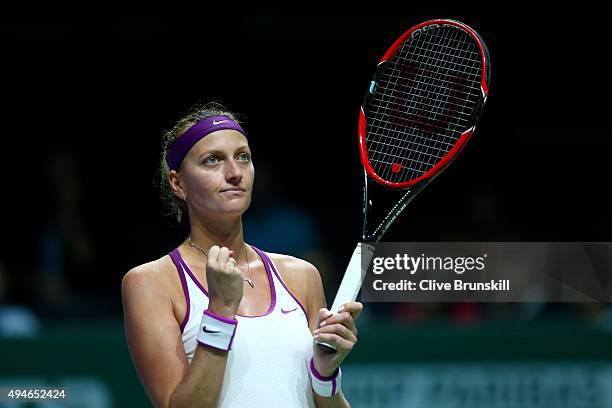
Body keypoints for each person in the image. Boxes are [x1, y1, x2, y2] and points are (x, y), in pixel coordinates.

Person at [121, 102, 362, 408]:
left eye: (243, 157)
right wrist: (220, 312)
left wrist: (324, 376)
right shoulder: (150, 283)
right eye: (212, 161)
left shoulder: (301, 276)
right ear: (178, 184)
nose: (234, 173)